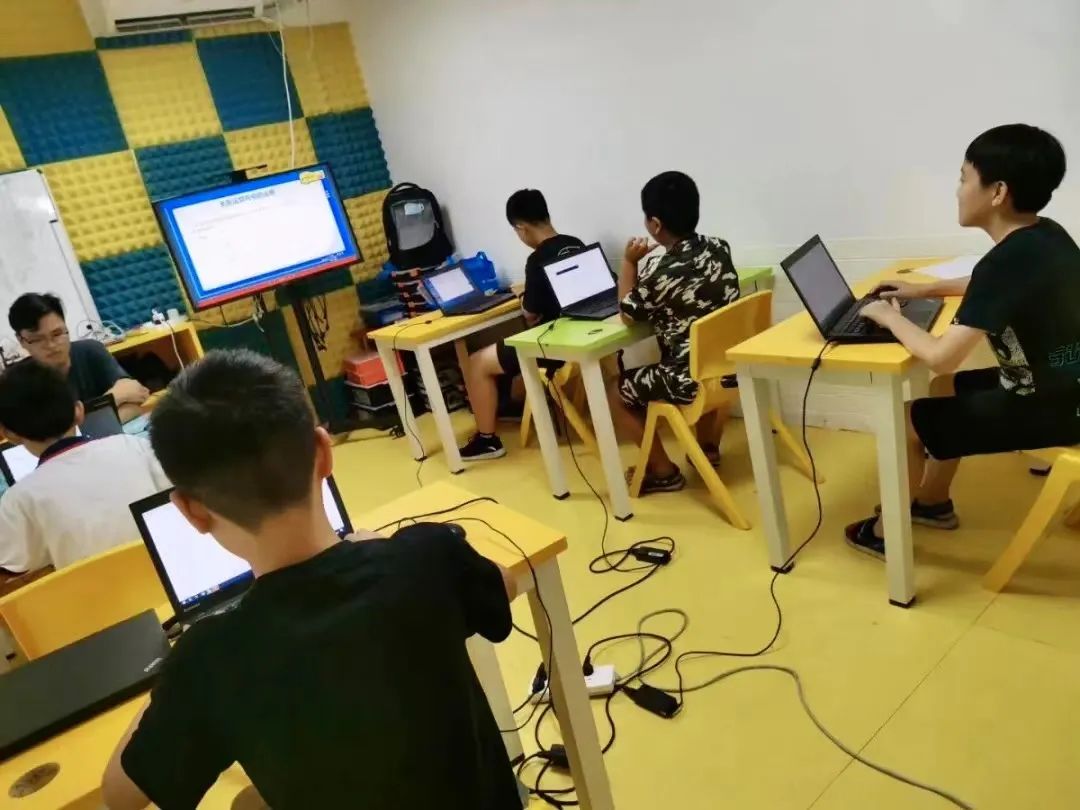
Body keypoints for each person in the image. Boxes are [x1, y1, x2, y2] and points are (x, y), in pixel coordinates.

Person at [102, 350, 521, 810]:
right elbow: (505, 585)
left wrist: (178, 674)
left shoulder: (210, 660)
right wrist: (382, 548)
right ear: (323, 452)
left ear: (191, 512)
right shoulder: (428, 555)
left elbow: (119, 796)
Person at [849, 123, 1079, 558]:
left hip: (1051, 407)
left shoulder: (1005, 261)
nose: (957, 191)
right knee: (944, 390)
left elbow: (940, 356)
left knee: (906, 419)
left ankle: (884, 535)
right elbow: (994, 284)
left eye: (963, 178)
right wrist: (922, 290)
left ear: (997, 192)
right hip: (1064, 386)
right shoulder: (1045, 235)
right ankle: (933, 502)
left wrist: (887, 316)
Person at [607, 171, 741, 493]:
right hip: (729, 368)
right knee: (702, 358)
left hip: (689, 380)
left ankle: (662, 470)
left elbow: (627, 314)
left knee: (615, 391)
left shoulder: (663, 274)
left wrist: (629, 263)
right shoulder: (719, 247)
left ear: (655, 224)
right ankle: (707, 449)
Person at [0, 360, 169, 579]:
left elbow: (14, 568)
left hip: (97, 597)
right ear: (79, 411)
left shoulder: (18, 500)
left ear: (10, 435)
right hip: (170, 581)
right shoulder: (131, 445)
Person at [459, 189, 585, 461]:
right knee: (506, 350)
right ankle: (509, 407)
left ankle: (487, 441)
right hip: (583, 334)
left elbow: (530, 313)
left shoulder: (537, 259)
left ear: (521, 228)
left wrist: (522, 296)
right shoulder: (574, 243)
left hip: (555, 346)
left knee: (477, 362)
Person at [8, 293, 149, 422]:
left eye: (57, 334)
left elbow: (135, 397)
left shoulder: (90, 350)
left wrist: (79, 424)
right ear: (21, 341)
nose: (51, 345)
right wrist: (114, 398)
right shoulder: (18, 382)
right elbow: (47, 434)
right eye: (37, 339)